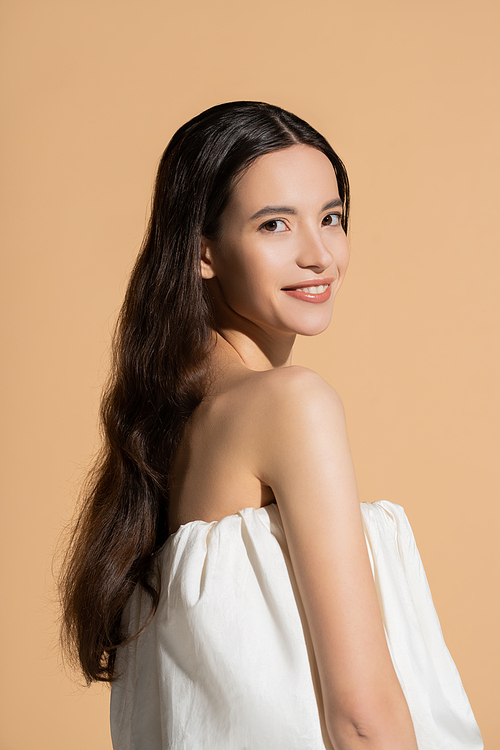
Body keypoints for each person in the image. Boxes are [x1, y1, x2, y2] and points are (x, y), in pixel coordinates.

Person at [60, 101, 483, 749]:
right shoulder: (290, 404)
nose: (319, 255)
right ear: (204, 252)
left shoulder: (172, 432)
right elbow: (362, 717)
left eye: (331, 218)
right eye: (275, 225)